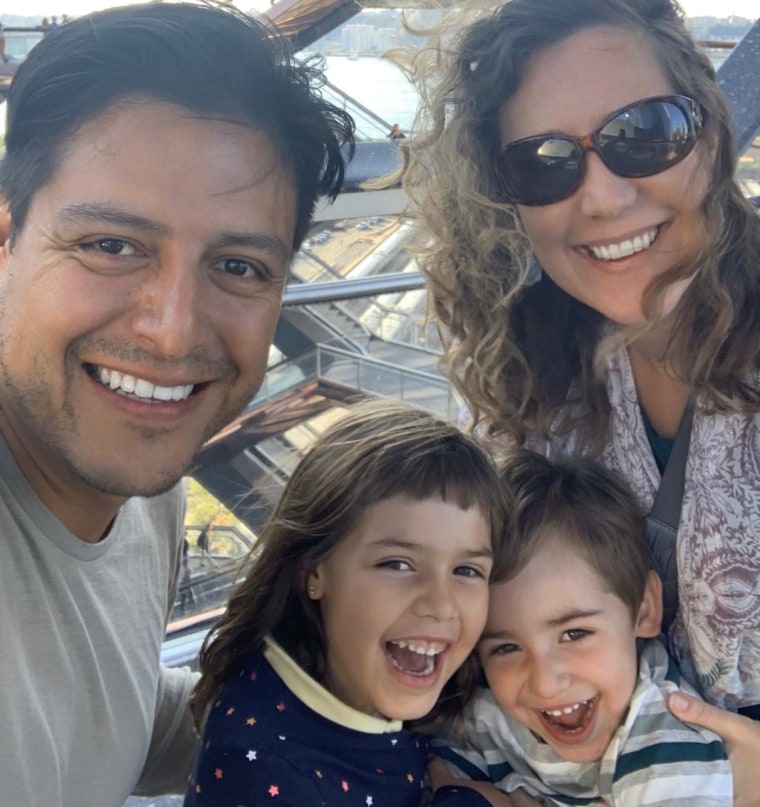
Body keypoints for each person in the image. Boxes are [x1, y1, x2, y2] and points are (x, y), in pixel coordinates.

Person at [401, 0, 760, 798]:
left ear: (710, 131)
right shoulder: (532, 393)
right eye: (543, 161)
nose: (600, 199)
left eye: (644, 134)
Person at [0, 3, 354, 806]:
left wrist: (365, 708)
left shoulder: (138, 484)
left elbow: (112, 711)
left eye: (237, 265)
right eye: (112, 246)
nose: (172, 331)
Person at [185, 398, 505, 807]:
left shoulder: (330, 671)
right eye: (398, 563)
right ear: (313, 572)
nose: (441, 605)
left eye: (467, 570)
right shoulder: (266, 772)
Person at [431, 451, 731, 805]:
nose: (544, 682)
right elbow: (444, 771)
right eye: (506, 648)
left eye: (574, 634)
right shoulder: (489, 709)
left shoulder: (666, 745)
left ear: (643, 609)